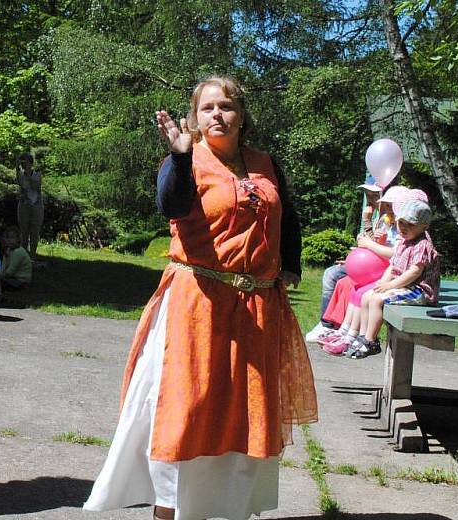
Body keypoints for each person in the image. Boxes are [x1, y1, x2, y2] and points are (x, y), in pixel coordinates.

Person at [84, 76, 318, 520]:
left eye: (226, 106)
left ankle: (231, 510)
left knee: (246, 414)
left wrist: (287, 267)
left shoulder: (265, 163)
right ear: (194, 117)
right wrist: (178, 155)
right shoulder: (186, 161)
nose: (217, 114)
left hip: (257, 312)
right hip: (197, 307)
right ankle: (168, 510)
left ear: (241, 115)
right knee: (186, 411)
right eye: (207, 107)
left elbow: (286, 216)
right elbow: (171, 206)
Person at [348, 199, 440, 359]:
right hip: (403, 286)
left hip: (418, 291)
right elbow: (393, 265)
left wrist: (390, 285)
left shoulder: (422, 245)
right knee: (366, 296)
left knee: (376, 300)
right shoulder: (404, 242)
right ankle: (362, 336)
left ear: (424, 227)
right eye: (401, 223)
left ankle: (371, 341)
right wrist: (382, 282)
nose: (404, 228)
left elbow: (414, 273)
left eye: (410, 224)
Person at [304, 176, 385, 343]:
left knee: (339, 279)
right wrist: (353, 260)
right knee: (331, 273)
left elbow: (375, 246)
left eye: (374, 196)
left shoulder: (387, 219)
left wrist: (367, 222)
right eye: (368, 196)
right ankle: (327, 323)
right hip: (365, 265)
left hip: (377, 270)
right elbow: (368, 245)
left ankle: (331, 326)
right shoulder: (377, 216)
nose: (370, 200)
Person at [16, 151, 44, 260]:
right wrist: (17, 166)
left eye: (26, 162)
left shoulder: (37, 173)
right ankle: (24, 256)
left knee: (34, 231)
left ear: (31, 163)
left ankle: (32, 256)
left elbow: (35, 186)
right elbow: (19, 182)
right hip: (24, 205)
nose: (24, 165)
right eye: (23, 163)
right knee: (24, 231)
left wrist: (28, 173)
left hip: (36, 205)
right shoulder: (20, 174)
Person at [0, 225, 33, 290]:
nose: (9, 240)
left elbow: (10, 272)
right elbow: (3, 266)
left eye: (12, 238)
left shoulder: (18, 252)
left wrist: (0, 277)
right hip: (13, 278)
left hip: (21, 281)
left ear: (18, 239)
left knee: (0, 283)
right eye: (8, 238)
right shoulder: (8, 250)